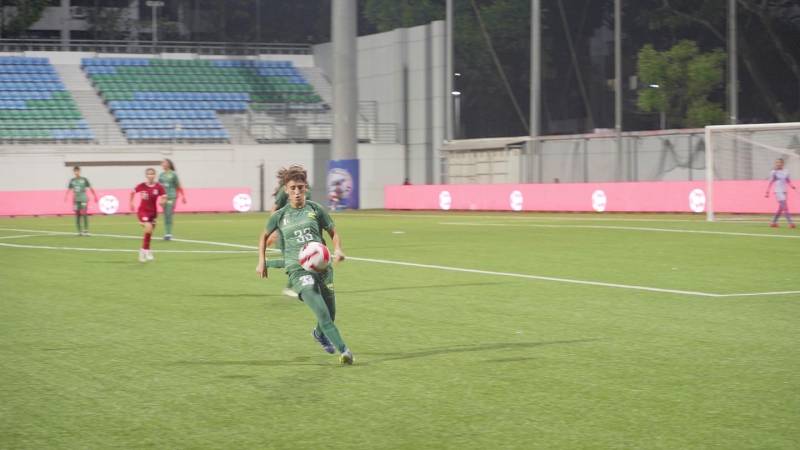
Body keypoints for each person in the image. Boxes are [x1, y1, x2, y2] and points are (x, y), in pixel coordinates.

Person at [256, 165, 353, 365]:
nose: (297, 192)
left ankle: (319, 333)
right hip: (298, 270)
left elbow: (333, 231)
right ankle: (344, 351)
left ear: (305, 187)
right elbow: (263, 236)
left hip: (323, 268)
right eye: (293, 188)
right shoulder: (280, 215)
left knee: (330, 314)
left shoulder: (315, 209)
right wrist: (261, 262)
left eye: (300, 187)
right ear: (286, 190)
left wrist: (338, 249)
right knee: (320, 308)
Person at [268, 167, 311, 298]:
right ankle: (291, 286)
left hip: (300, 231)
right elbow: (274, 209)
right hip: (285, 232)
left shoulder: (307, 190)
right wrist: (274, 230)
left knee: (304, 259)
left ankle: (297, 285)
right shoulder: (284, 191)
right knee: (294, 261)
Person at [130, 168, 167, 262]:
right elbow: (132, 192)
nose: (150, 175)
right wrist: (131, 203)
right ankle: (143, 252)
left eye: (152, 174)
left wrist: (162, 202)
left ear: (155, 175)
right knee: (148, 227)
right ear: (146, 175)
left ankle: (147, 249)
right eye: (149, 174)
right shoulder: (141, 186)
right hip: (143, 211)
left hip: (153, 213)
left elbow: (164, 197)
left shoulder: (159, 187)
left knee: (149, 233)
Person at [64, 166, 98, 236]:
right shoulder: (72, 180)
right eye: (75, 171)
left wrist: (95, 196)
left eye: (77, 171)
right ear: (73, 172)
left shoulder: (84, 179)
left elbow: (90, 188)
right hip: (76, 200)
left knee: (84, 213)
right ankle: (80, 231)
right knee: (77, 215)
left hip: (83, 198)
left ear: (79, 171)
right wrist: (66, 196)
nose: (76, 172)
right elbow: (69, 189)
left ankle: (86, 230)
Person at [158, 158, 186, 240]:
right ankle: (166, 232)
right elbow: (159, 187)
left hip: (172, 196)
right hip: (164, 197)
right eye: (162, 163)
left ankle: (169, 234)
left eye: (165, 163)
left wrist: (183, 196)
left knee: (169, 214)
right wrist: (159, 198)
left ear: (169, 164)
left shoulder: (173, 174)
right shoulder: (161, 175)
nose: (163, 164)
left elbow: (178, 185)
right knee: (165, 215)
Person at [765, 158, 796, 228]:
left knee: (781, 208)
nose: (778, 164)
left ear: (783, 164)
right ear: (775, 164)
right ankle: (790, 223)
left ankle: (773, 222)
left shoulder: (786, 171)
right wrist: (767, 191)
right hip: (778, 191)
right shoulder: (773, 172)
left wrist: (792, 186)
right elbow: (771, 182)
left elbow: (788, 180)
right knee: (785, 207)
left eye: (780, 163)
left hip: (784, 191)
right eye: (777, 163)